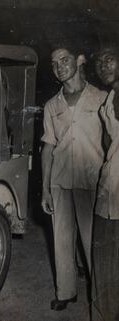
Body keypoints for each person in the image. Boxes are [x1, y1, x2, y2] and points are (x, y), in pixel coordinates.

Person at [41, 46, 107, 311]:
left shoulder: (102, 98)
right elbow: (47, 146)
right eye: (54, 63)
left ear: (80, 60)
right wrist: (45, 189)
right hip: (60, 181)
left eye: (64, 60)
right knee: (62, 239)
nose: (59, 66)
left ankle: (100, 294)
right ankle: (66, 291)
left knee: (94, 242)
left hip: (93, 181)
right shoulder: (51, 105)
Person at [92, 46, 119, 321]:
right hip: (110, 189)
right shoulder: (110, 98)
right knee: (105, 266)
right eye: (99, 62)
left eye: (109, 59)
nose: (103, 66)